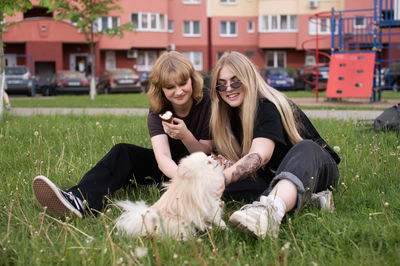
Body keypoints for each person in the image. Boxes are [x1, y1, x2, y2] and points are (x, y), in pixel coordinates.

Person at [32, 51, 212, 219]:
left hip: (201, 167)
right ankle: (79, 200)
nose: (179, 91)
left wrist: (185, 135)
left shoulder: (206, 101)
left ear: (192, 80)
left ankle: (155, 184)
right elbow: (163, 157)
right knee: (122, 152)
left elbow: (206, 152)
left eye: (183, 83)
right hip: (171, 169)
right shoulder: (158, 110)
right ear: (161, 89)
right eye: (170, 87)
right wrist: (180, 178)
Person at [210, 51, 340, 239]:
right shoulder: (228, 115)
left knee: (306, 147)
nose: (228, 89)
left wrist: (222, 178)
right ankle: (311, 201)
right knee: (229, 189)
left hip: (316, 168)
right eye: (221, 85)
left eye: (235, 81)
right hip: (274, 176)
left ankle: (269, 213)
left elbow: (260, 156)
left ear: (249, 79)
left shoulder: (266, 106)